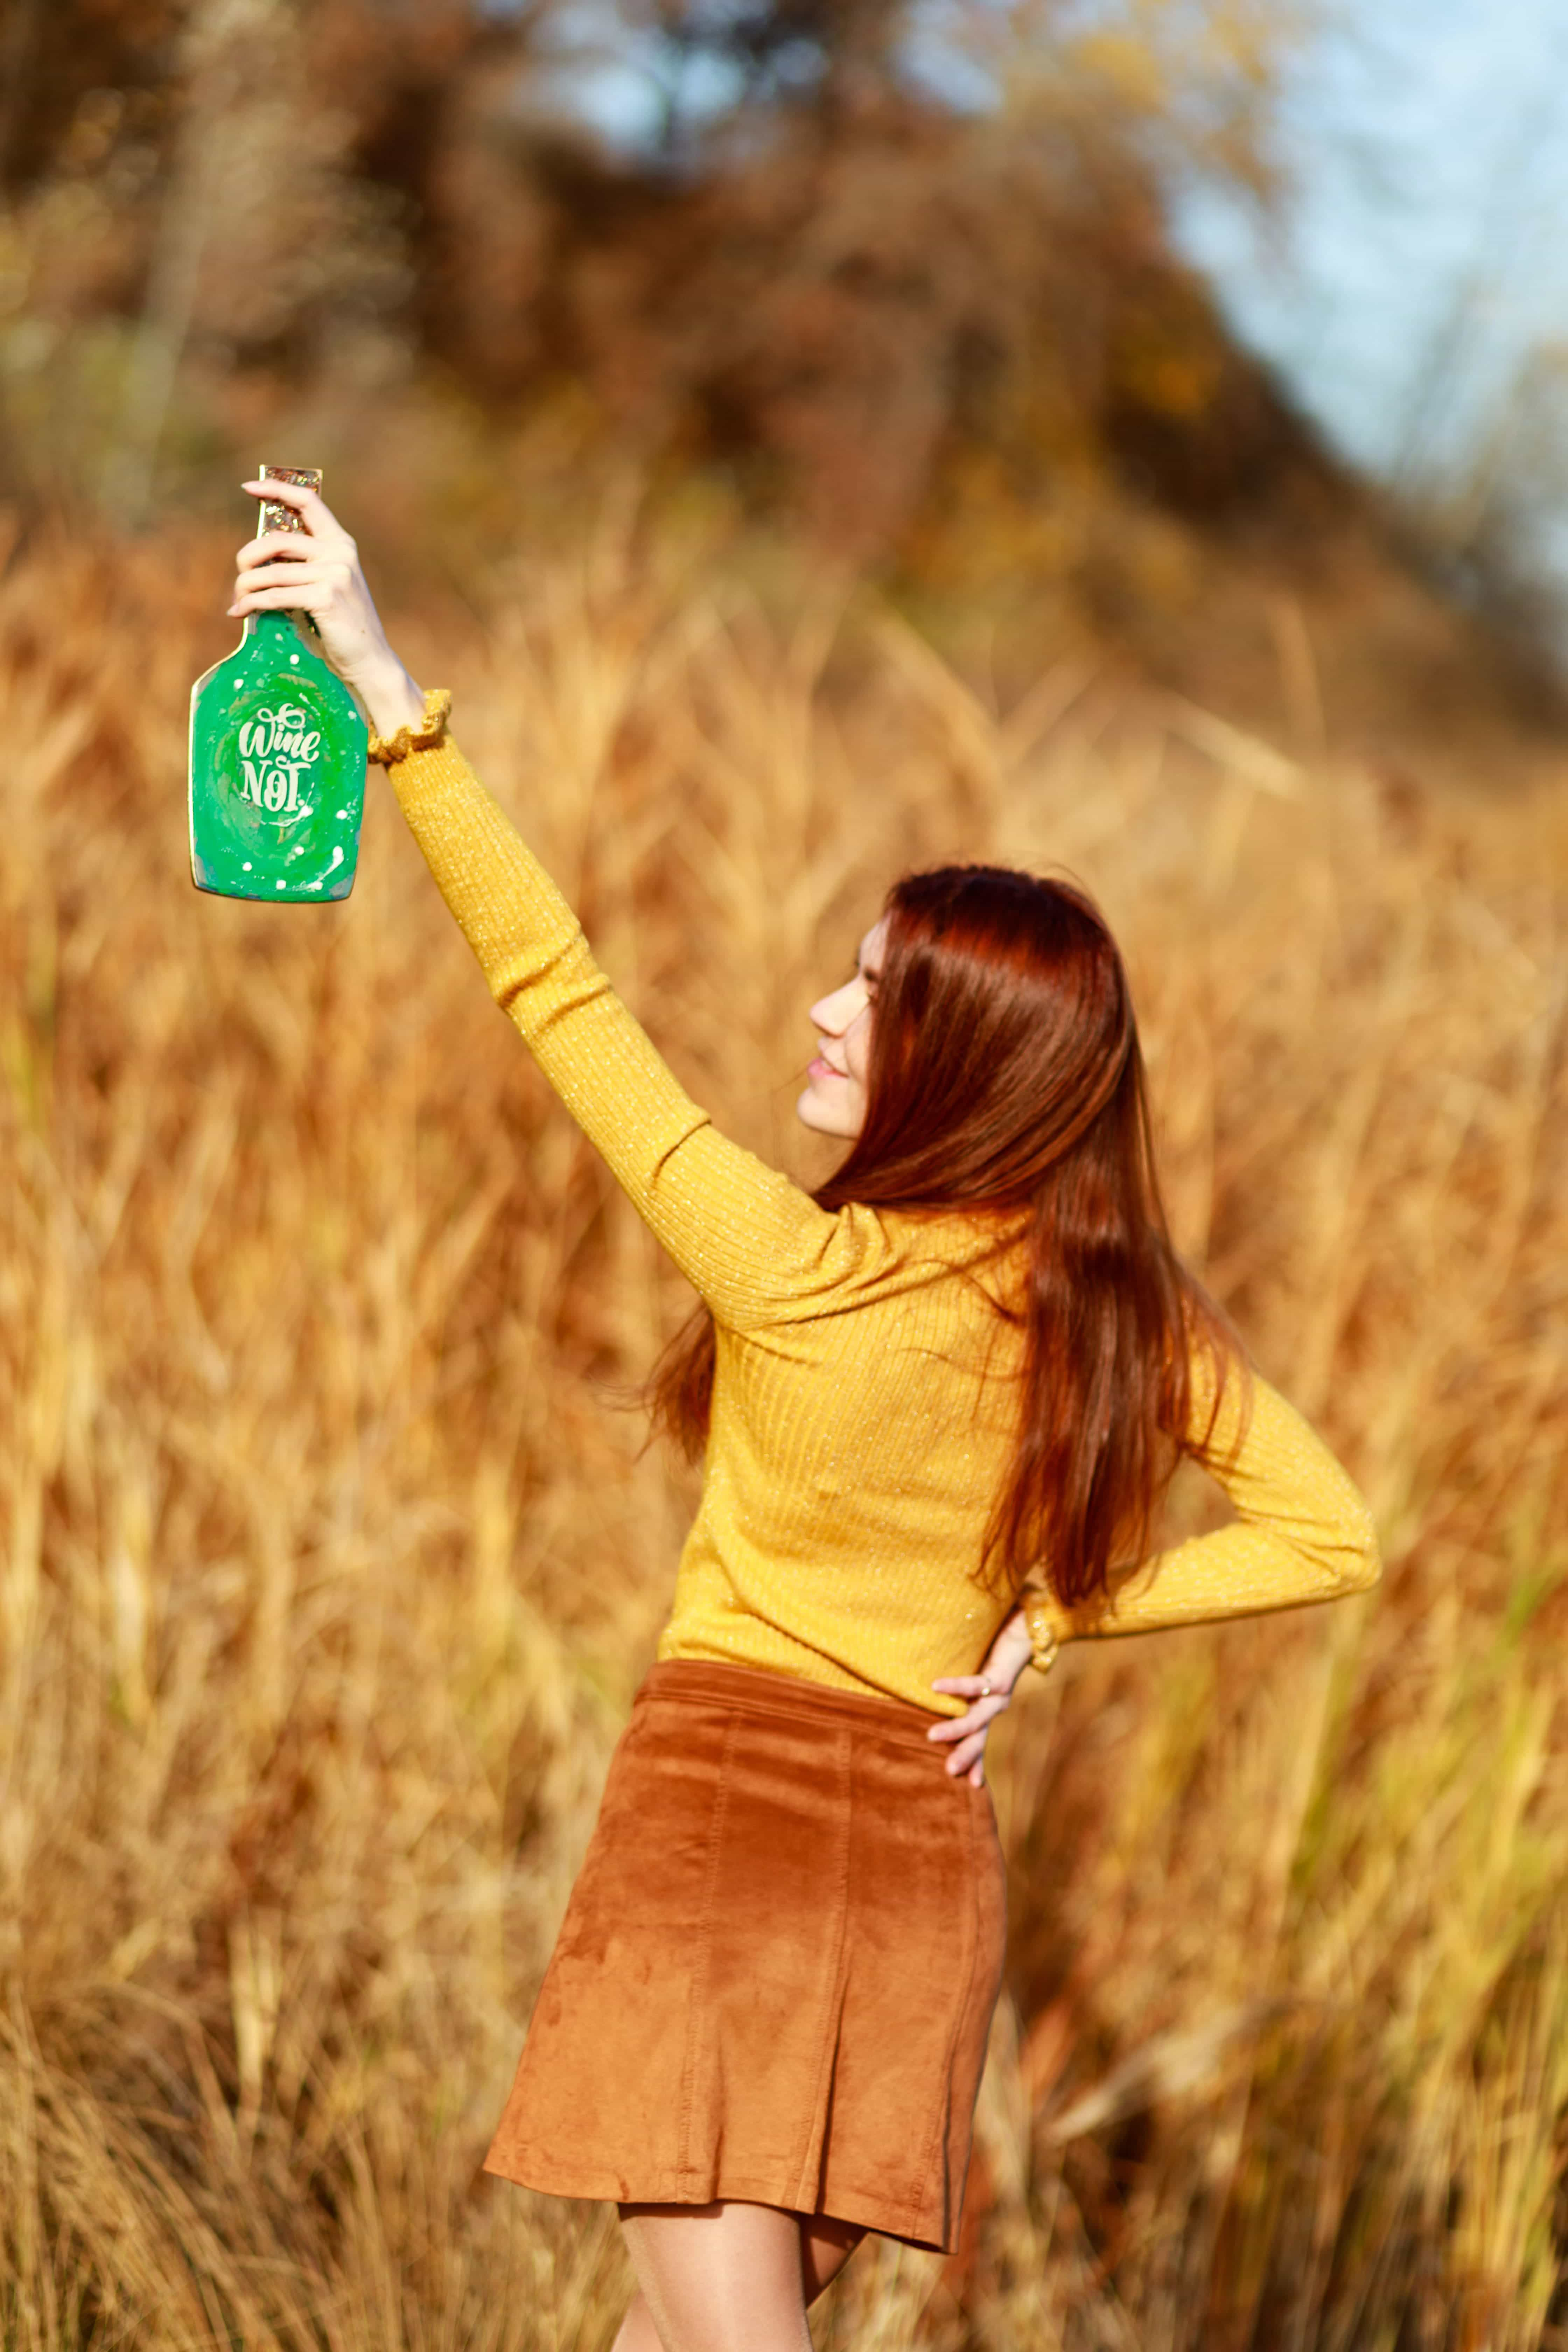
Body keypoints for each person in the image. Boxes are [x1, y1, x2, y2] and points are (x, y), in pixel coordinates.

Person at [227, 481, 1381, 2352]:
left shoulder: (797, 1269)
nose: (821, 1010)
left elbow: (554, 985)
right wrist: (1055, 1622)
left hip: (720, 1840)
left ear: (958, 1059)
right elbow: (1332, 1530)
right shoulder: (1119, 1315)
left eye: (869, 988)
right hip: (921, 1870)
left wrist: (383, 683)